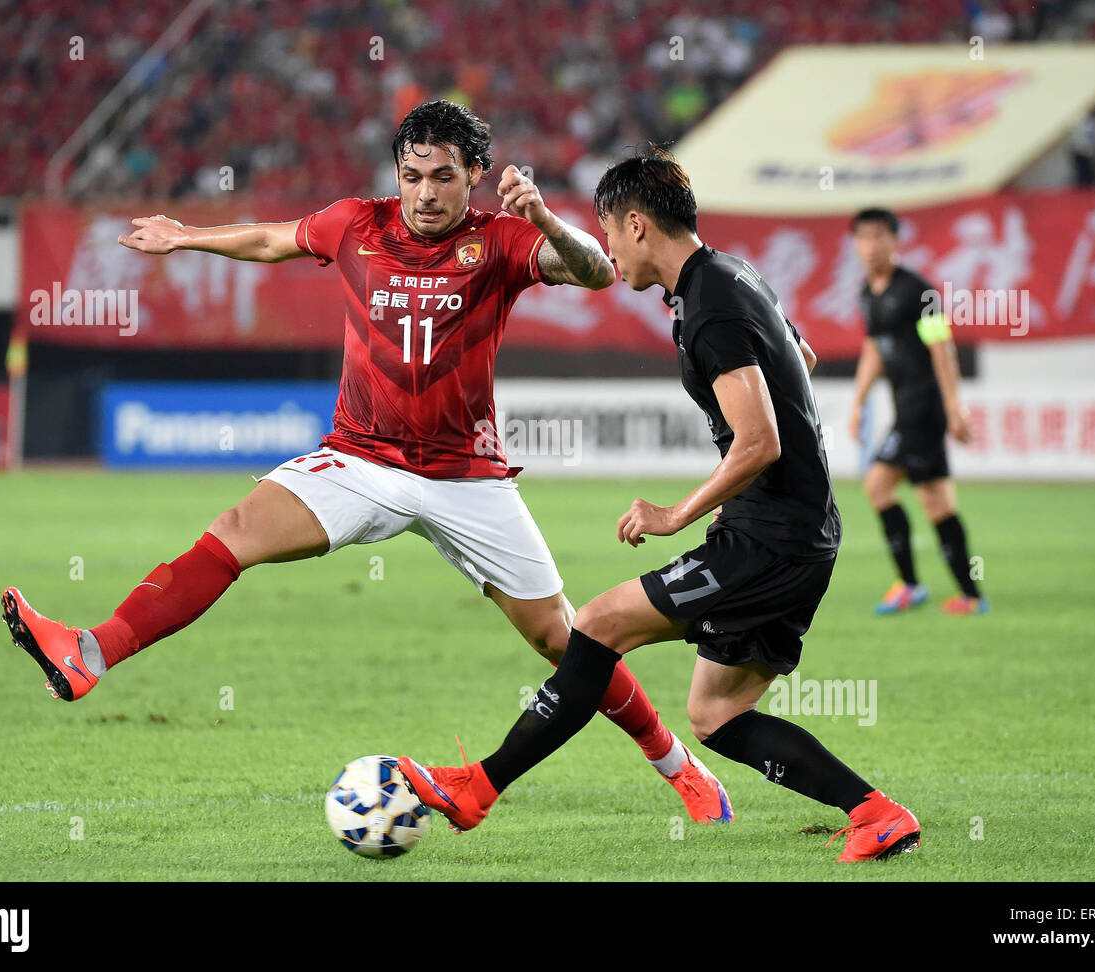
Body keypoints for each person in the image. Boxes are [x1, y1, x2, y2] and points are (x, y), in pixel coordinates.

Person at [0, 102, 732, 824]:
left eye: (444, 176)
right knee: (234, 531)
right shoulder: (356, 223)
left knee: (562, 639)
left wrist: (541, 217)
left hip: (466, 478)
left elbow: (599, 271)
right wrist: (186, 236)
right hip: (360, 458)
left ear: (475, 175)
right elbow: (269, 240)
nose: (425, 193)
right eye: (412, 176)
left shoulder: (501, 240)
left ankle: (677, 765)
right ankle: (90, 652)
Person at [398, 147, 920, 862]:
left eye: (609, 232)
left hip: (769, 537)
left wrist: (676, 515)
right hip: (800, 530)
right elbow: (802, 358)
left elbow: (759, 440)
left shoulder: (708, 307)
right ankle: (874, 811)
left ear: (638, 225)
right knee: (716, 712)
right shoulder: (732, 275)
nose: (609, 252)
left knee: (600, 623)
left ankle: (479, 788)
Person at [848, 207, 988, 616]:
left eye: (879, 236)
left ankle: (917, 587)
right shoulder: (866, 293)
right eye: (864, 237)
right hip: (905, 409)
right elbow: (874, 349)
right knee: (937, 502)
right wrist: (858, 402)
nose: (871, 245)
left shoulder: (917, 291)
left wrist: (953, 407)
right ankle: (968, 594)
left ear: (895, 240)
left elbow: (941, 346)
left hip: (923, 409)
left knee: (880, 485)